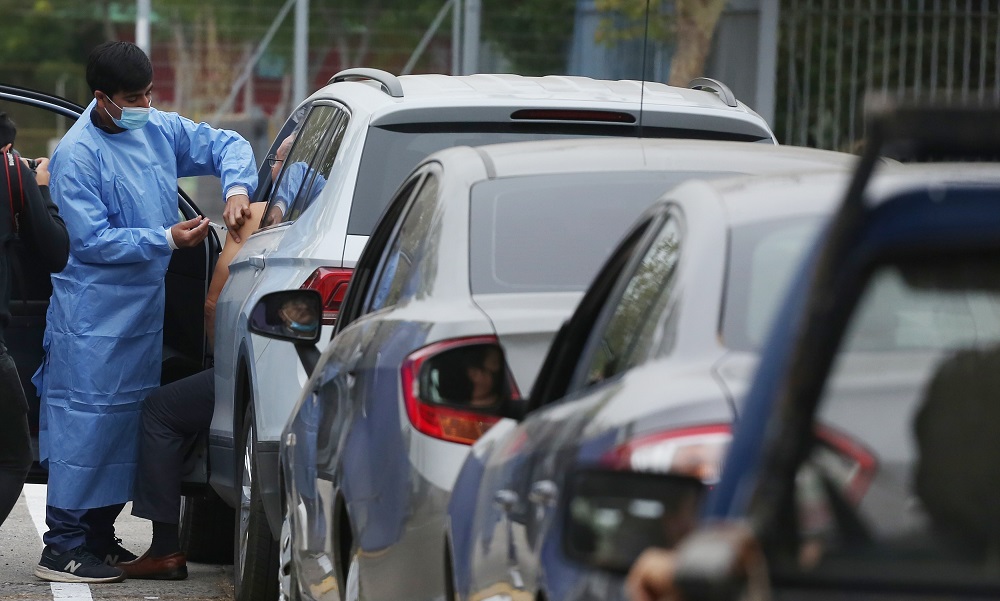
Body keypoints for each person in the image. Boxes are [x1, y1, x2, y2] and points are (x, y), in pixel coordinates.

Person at [31, 41, 257, 584]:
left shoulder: (155, 128)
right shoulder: (77, 155)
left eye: (149, 93)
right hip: (92, 314)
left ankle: (96, 534)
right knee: (83, 420)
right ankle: (60, 545)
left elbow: (228, 144)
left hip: (140, 313)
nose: (144, 105)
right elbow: (91, 241)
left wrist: (238, 186)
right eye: (133, 97)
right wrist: (166, 238)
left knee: (126, 422)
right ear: (102, 99)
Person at [0, 113, 70, 529]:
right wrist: (41, 190)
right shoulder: (10, 171)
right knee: (14, 456)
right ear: (9, 147)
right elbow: (56, 250)